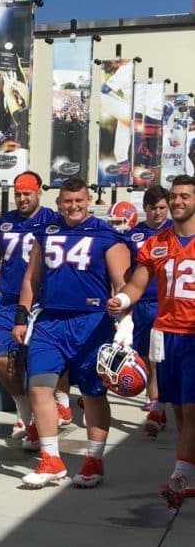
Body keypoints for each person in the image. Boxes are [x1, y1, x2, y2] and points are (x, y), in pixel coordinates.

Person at [13, 178, 130, 489]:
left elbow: (122, 283)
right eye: (67, 201)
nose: (73, 206)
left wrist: (125, 323)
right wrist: (21, 316)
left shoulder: (106, 235)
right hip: (50, 321)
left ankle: (94, 459)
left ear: (88, 200)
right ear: (59, 202)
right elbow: (31, 279)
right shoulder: (47, 232)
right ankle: (51, 460)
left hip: (91, 322)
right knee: (39, 387)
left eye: (78, 201)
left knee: (92, 394)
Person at [108, 175, 195, 509]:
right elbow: (136, 284)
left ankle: (181, 475)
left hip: (193, 334)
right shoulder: (157, 243)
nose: (177, 202)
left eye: (185, 196)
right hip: (166, 331)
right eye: (174, 196)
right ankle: (188, 470)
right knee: (179, 410)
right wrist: (123, 302)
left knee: (192, 407)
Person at [0, 171, 69, 443]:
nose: (21, 198)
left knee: (42, 358)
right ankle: (24, 408)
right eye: (18, 194)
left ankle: (60, 400)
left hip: (43, 301)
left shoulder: (52, 220)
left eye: (26, 193)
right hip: (9, 300)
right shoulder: (4, 223)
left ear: (39, 191)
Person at [115, 187, 173, 437]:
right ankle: (155, 401)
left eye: (162, 207)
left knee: (158, 355)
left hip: (166, 302)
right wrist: (123, 304)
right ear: (145, 208)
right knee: (140, 354)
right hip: (139, 301)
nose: (158, 212)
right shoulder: (134, 235)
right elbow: (124, 272)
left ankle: (157, 404)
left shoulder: (176, 231)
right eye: (154, 208)